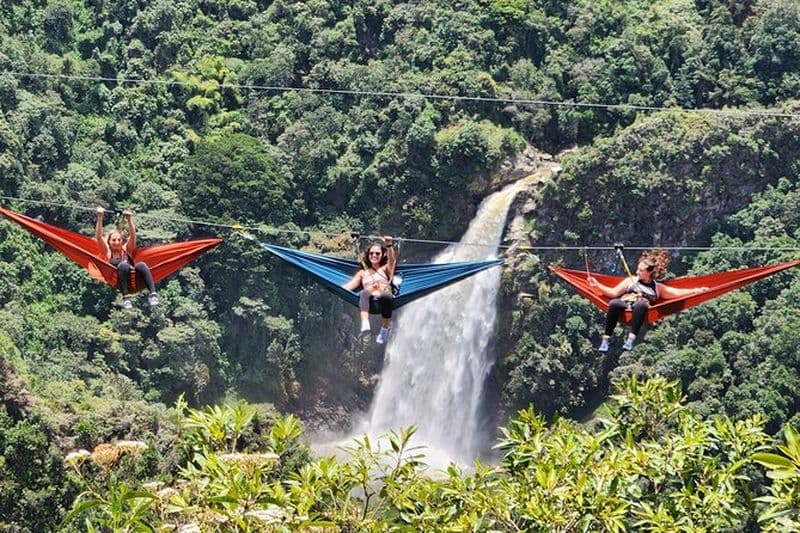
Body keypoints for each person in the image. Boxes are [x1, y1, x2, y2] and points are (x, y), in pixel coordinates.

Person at [587, 249, 707, 352]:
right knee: (613, 303)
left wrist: (695, 291)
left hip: (640, 309)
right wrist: (597, 285)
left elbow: (676, 293)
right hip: (626, 305)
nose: (637, 272)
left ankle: (630, 339)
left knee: (641, 304)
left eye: (641, 270)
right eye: (638, 269)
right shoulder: (631, 281)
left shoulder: (658, 288)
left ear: (649, 272)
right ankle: (606, 339)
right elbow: (613, 293)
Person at [95, 207, 158, 309]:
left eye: (119, 240)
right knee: (123, 265)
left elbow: (133, 236)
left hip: (133, 279)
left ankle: (153, 294)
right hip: (119, 280)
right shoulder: (108, 252)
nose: (116, 242)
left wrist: (129, 220)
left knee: (141, 265)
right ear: (109, 242)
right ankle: (126, 298)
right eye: (113, 240)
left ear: (122, 241)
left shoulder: (126, 249)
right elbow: (99, 237)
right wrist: (100, 217)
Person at [342, 236, 397, 344]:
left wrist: (389, 245)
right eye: (371, 253)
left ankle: (384, 329)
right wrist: (332, 287)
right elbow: (349, 286)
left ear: (382, 255)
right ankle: (365, 324)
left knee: (386, 295)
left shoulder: (385, 269)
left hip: (384, 294)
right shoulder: (362, 273)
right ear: (368, 255)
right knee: (364, 293)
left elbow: (392, 260)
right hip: (369, 298)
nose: (374, 255)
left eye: (377, 253)